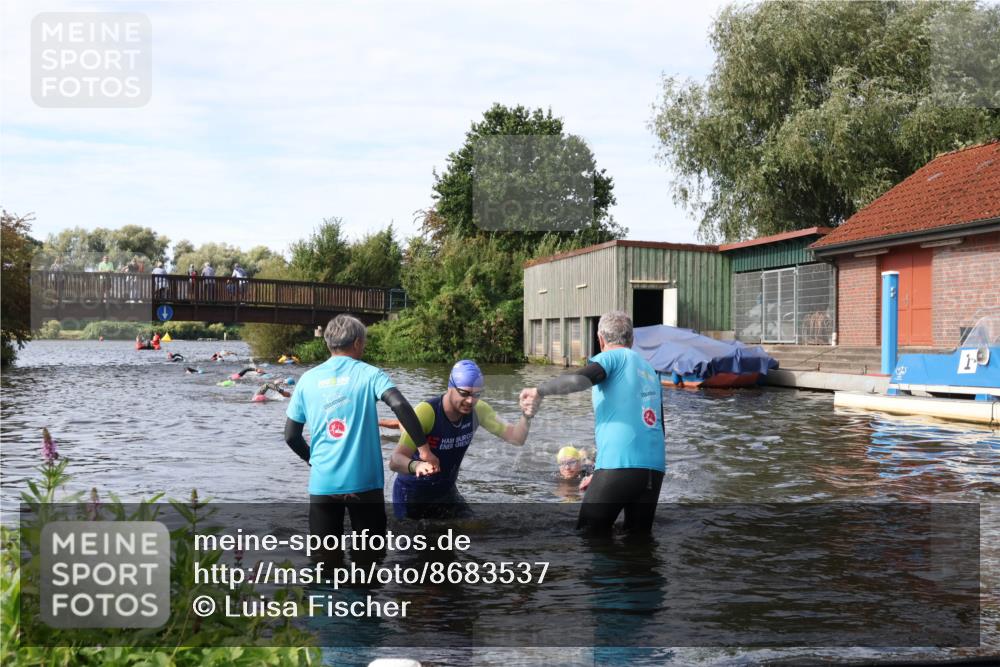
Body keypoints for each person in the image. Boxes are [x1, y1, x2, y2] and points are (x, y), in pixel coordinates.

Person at [284, 314, 435, 547]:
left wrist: (312, 460)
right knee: (370, 557)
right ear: (356, 343)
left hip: (324, 483)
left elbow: (291, 436)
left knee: (324, 559)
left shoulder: (306, 380)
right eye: (363, 342)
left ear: (328, 343)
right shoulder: (370, 374)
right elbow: (400, 405)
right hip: (364, 484)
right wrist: (424, 451)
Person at [520, 311, 665, 537]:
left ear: (600, 339)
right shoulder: (650, 371)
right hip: (654, 468)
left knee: (588, 536)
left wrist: (540, 391)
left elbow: (579, 380)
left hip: (620, 464)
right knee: (638, 540)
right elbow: (659, 425)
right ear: (632, 340)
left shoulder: (611, 358)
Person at [388, 359, 533, 520]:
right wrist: (417, 465)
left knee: (475, 531)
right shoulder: (427, 412)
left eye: (476, 394)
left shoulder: (479, 410)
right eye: (464, 393)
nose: (470, 400)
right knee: (419, 542)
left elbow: (517, 438)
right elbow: (395, 460)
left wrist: (527, 415)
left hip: (446, 493)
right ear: (450, 387)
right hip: (411, 494)